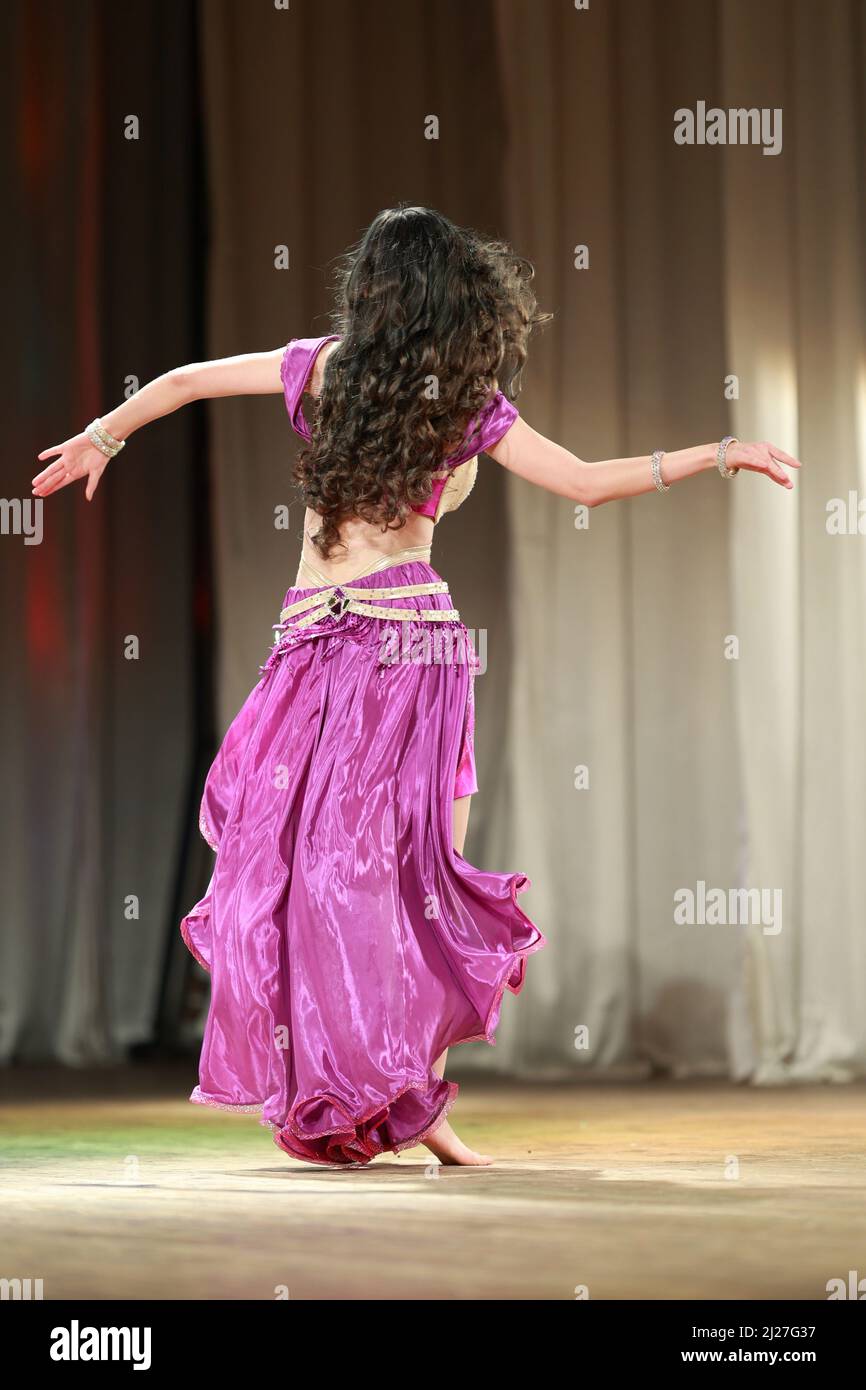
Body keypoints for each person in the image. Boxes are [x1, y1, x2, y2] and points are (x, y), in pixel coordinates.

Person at [32, 205, 801, 1167]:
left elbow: (184, 382)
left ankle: (412, 1103)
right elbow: (589, 482)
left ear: (373, 291)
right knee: (365, 886)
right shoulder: (455, 398)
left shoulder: (323, 368)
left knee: (343, 883)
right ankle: (371, 1097)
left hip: (352, 651)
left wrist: (103, 435)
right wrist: (719, 453)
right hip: (389, 649)